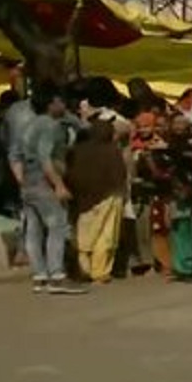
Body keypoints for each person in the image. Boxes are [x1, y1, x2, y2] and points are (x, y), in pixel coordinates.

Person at [18, 83, 85, 294]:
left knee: (34, 230)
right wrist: (59, 184)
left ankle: (40, 275)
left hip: (28, 181)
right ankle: (57, 275)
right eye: (60, 101)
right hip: (43, 181)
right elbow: (45, 157)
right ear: (51, 103)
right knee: (57, 226)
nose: (63, 105)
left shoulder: (29, 124)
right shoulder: (49, 125)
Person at [66, 119, 127, 284]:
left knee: (85, 234)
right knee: (106, 235)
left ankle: (83, 269)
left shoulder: (77, 150)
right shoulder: (112, 150)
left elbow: (70, 174)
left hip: (83, 199)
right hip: (109, 197)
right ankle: (100, 271)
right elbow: (120, 175)